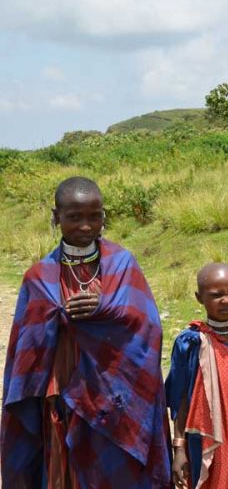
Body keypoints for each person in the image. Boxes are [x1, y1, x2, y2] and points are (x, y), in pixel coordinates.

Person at [1, 176, 171, 487]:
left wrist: (107, 311)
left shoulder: (122, 264)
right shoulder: (38, 277)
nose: (85, 226)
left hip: (115, 398)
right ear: (56, 218)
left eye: (94, 216)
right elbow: (26, 350)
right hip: (62, 395)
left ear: (104, 217)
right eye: (74, 217)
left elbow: (149, 329)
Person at [166, 263, 228, 489]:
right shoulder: (190, 341)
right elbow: (180, 399)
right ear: (199, 298)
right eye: (216, 295)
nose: (226, 300)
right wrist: (179, 448)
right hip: (204, 438)